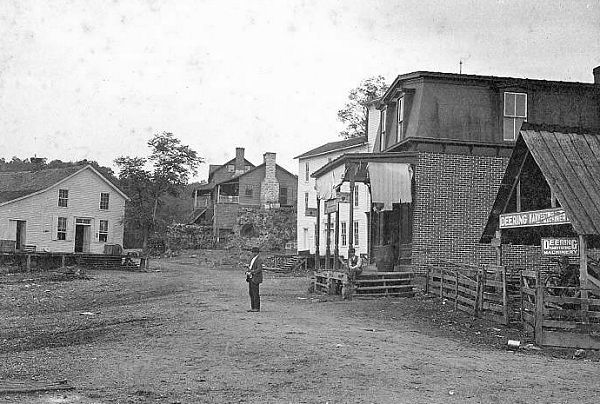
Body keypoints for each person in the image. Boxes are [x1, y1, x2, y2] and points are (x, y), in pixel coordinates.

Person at [245, 246, 263, 312]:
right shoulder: (253, 259)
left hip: (255, 277)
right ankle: (253, 307)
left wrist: (252, 271)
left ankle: (256, 308)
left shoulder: (259, 259)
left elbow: (259, 269)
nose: (252, 253)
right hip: (251, 277)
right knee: (251, 293)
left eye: (253, 252)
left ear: (256, 253)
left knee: (255, 293)